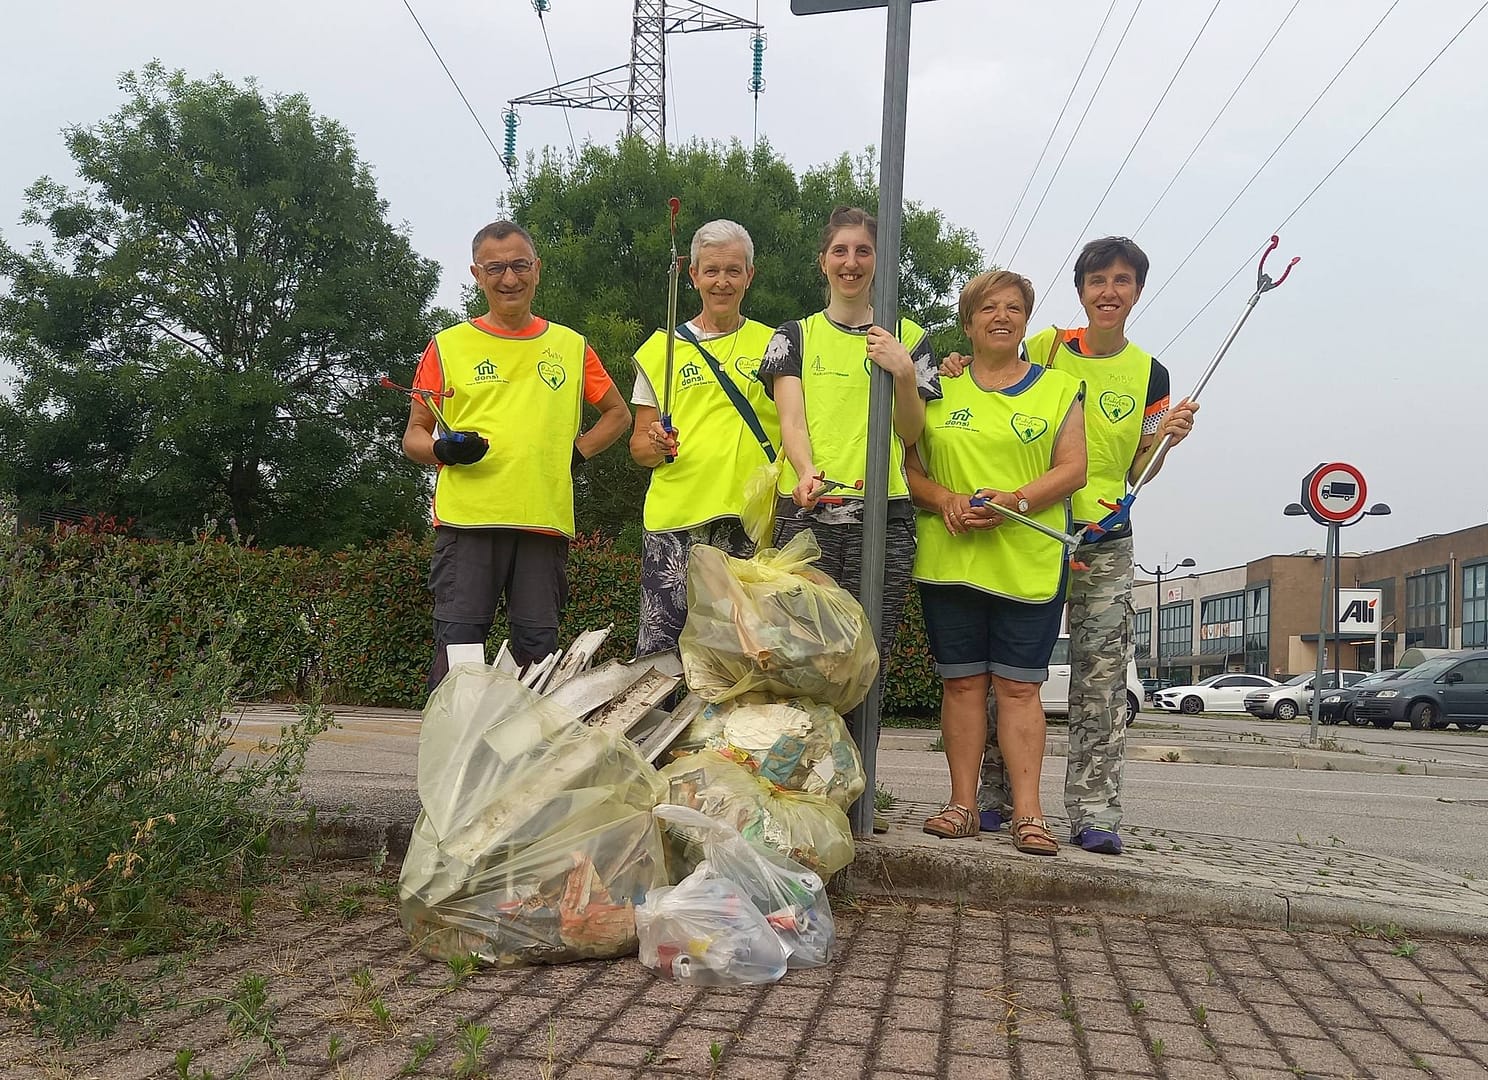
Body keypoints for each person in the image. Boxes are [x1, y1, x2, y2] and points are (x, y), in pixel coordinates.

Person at [948, 236, 1198, 854]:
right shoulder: (1046, 346)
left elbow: (1141, 465)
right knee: (1012, 674)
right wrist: (952, 364)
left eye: (1121, 282)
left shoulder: (1151, 373)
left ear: (1137, 290)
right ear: (1081, 290)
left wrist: (1166, 439)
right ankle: (996, 800)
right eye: (1097, 281)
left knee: (1100, 681)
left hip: (1103, 540)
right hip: (1030, 532)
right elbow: (989, 368)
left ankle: (1094, 811)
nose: (1108, 293)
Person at [402, 220, 630, 691]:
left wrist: (574, 456)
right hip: (468, 525)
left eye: (519, 265)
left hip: (541, 524)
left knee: (538, 657)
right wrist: (442, 449)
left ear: (537, 270)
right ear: (476, 274)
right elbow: (414, 437)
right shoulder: (447, 346)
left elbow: (617, 415)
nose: (509, 278)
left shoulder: (571, 346)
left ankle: (528, 763)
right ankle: (454, 761)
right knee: (460, 653)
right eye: (496, 268)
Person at [907, 270, 1086, 852]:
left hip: (1027, 563)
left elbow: (1073, 469)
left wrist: (1017, 502)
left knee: (1018, 690)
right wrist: (946, 500)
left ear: (1026, 320)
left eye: (1013, 307)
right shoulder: (939, 386)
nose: (1001, 316)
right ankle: (961, 804)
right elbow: (908, 469)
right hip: (950, 560)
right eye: (988, 308)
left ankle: (1028, 815)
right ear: (967, 321)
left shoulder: (1059, 389)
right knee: (961, 686)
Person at [758, 206, 940, 675]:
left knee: (863, 665)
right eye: (840, 251)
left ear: (879, 261)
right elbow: (791, 423)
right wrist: (804, 472)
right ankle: (812, 752)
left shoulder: (910, 338)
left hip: (884, 520)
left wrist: (902, 372)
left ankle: (861, 753)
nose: (851, 262)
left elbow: (910, 431)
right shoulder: (792, 336)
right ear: (823, 261)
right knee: (800, 663)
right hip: (808, 516)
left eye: (863, 251)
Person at [629, 219, 781, 655]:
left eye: (734, 270)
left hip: (748, 521)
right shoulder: (660, 349)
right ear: (693, 275)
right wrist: (654, 445)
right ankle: (659, 727)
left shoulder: (777, 345)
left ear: (750, 276)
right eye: (711, 270)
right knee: (662, 653)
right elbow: (639, 447)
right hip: (675, 521)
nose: (722, 281)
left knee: (742, 654)